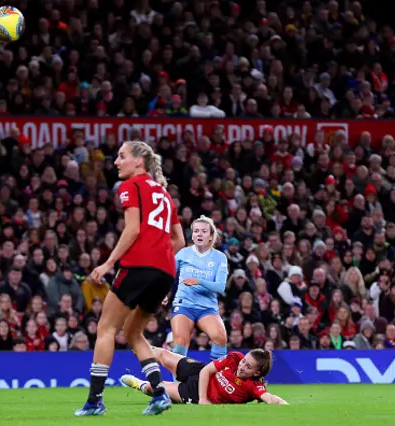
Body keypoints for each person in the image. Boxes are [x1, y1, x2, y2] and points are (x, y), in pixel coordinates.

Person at [76, 140, 185, 417]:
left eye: (121, 156)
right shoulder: (163, 194)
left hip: (138, 266)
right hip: (164, 271)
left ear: (139, 161)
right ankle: (159, 394)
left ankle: (94, 401)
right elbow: (179, 240)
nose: (116, 162)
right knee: (133, 332)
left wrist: (109, 263)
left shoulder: (131, 186)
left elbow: (133, 229)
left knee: (106, 328)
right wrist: (159, 269)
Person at [121, 347, 288, 405]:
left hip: (192, 391)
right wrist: (203, 400)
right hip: (199, 372)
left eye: (248, 366)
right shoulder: (235, 358)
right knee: (163, 355)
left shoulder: (253, 386)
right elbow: (207, 370)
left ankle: (139, 384)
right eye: (244, 361)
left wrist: (286, 406)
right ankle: (137, 343)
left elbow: (271, 398)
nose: (242, 366)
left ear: (257, 373)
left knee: (154, 388)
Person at [169, 216, 229, 364]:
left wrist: (198, 281)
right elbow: (168, 275)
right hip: (184, 304)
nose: (199, 234)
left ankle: (216, 377)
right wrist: (163, 293)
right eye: (196, 231)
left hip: (207, 308)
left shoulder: (219, 257)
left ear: (210, 236)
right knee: (181, 341)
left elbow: (220, 287)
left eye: (203, 231)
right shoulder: (183, 254)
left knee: (220, 337)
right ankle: (178, 382)